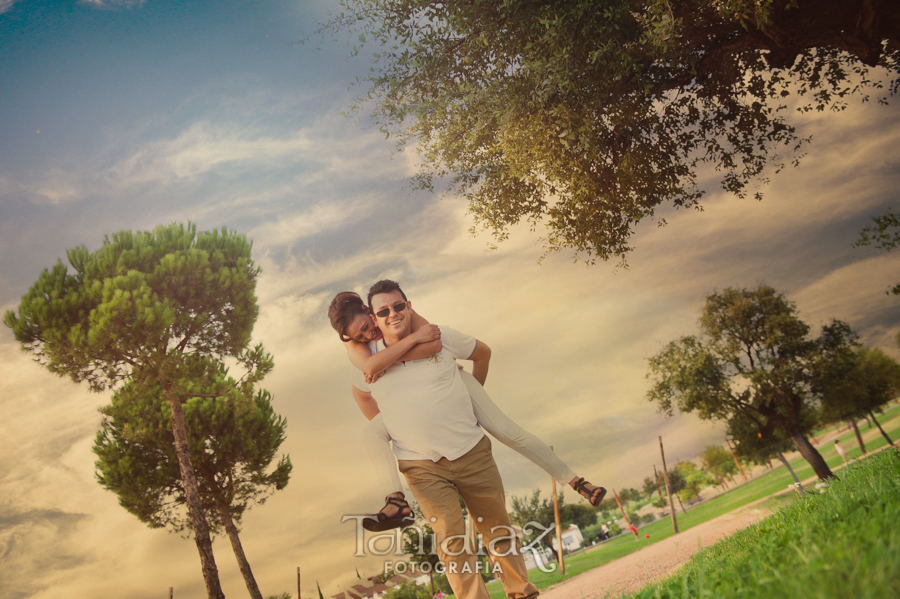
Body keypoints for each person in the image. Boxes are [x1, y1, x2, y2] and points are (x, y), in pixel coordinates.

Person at [327, 288, 607, 532]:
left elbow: (436, 345)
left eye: (366, 326)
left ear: (369, 311)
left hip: (454, 383)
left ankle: (577, 482)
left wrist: (465, 399)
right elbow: (364, 382)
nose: (367, 334)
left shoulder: (403, 316)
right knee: (371, 433)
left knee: (508, 431)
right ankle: (395, 499)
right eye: (359, 335)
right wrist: (401, 425)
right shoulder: (361, 350)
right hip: (415, 423)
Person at [350, 279, 538, 599]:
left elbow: (483, 353)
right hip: (421, 465)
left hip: (471, 450)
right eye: (383, 311)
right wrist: (399, 428)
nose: (392, 314)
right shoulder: (369, 363)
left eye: (398, 306)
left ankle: (522, 593)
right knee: (451, 540)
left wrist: (472, 399)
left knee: (497, 527)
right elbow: (363, 397)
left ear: (409, 306)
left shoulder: (441, 337)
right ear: (374, 317)